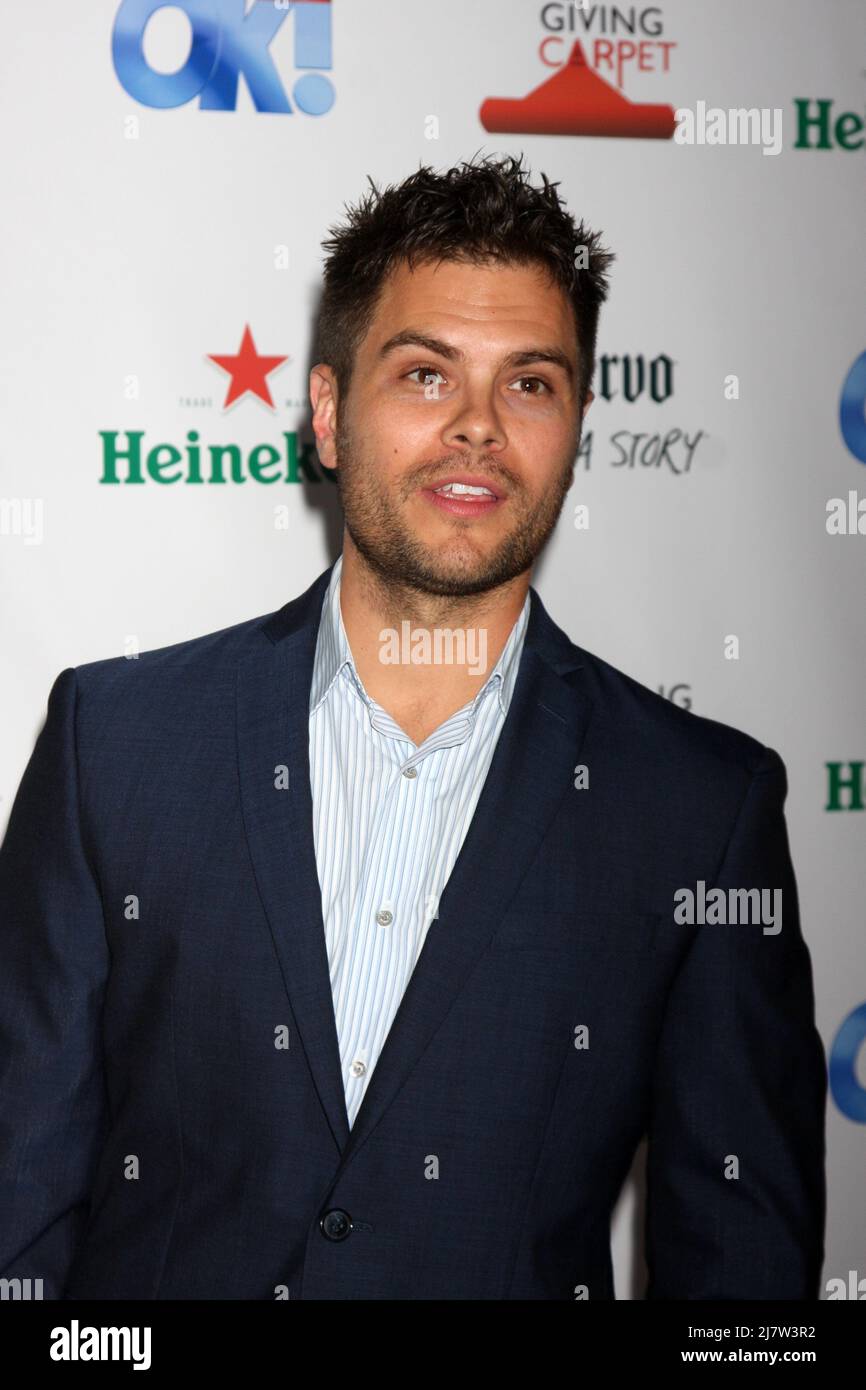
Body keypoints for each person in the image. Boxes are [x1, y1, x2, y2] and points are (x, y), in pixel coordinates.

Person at [0, 154, 825, 1300]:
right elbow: (16, 1201)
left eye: (530, 384)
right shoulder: (117, 745)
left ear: (577, 426)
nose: (479, 427)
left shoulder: (699, 809)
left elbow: (739, 1278)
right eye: (426, 375)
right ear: (329, 415)